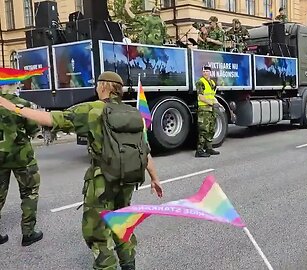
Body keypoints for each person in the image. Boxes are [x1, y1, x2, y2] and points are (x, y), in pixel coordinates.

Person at [0, 71, 164, 269]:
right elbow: (144, 151)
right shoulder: (134, 114)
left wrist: (14, 108)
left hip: (102, 182)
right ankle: (129, 264)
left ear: (104, 86)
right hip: (128, 181)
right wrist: (155, 178)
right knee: (123, 223)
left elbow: (51, 118)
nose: (96, 87)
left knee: (98, 233)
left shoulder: (92, 110)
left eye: (97, 84)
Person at [0, 69, 44, 246]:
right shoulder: (22, 104)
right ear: (13, 85)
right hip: (22, 157)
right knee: (29, 193)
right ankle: (28, 233)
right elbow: (34, 130)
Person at [196, 65, 220, 158]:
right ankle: (199, 150)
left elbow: (212, 95)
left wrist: (218, 104)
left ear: (210, 72)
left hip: (211, 109)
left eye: (207, 71)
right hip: (204, 109)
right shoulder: (200, 82)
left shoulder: (212, 83)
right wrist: (211, 103)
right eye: (204, 71)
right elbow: (200, 96)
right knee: (203, 130)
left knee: (211, 129)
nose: (205, 73)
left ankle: (209, 148)